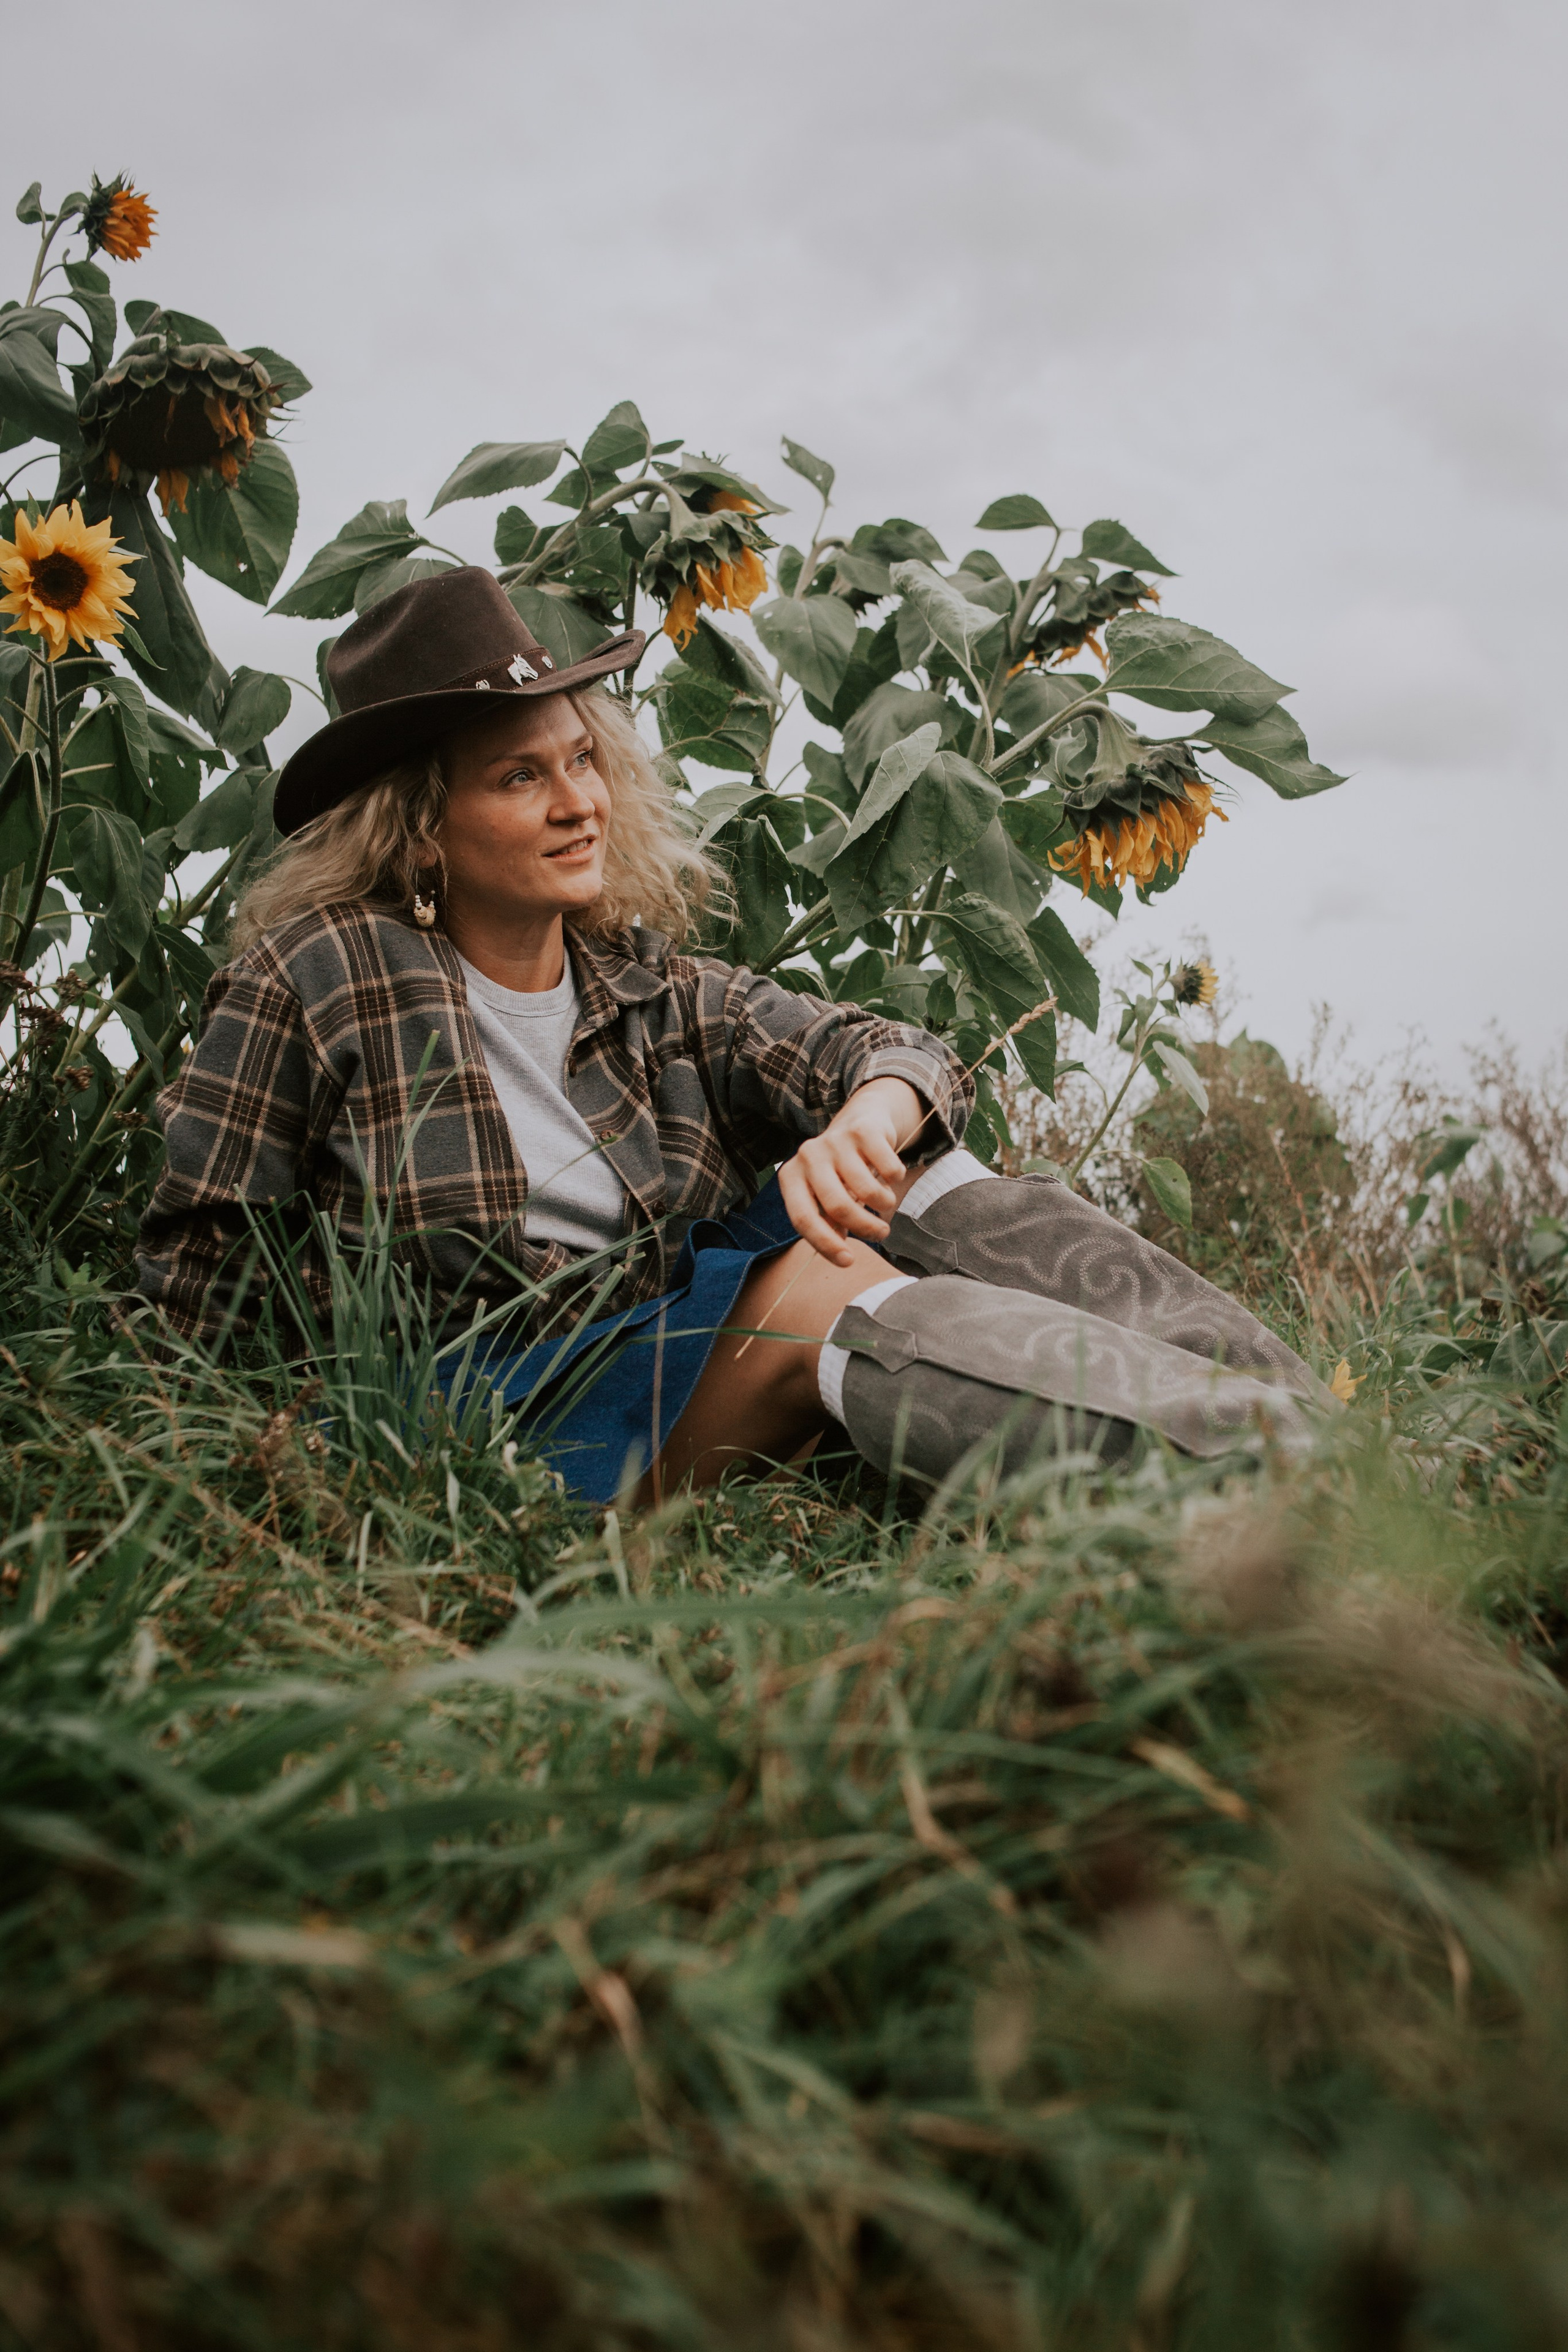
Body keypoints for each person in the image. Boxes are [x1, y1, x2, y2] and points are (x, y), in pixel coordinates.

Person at [137, 568, 1330, 1502]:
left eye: (581, 761)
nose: (578, 802)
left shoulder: (640, 985)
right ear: (421, 821)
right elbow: (196, 1269)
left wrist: (863, 1126)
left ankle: (1301, 1428)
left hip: (660, 1363)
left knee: (907, 1177)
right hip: (483, 1411)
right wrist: (283, 1473)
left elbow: (892, 1049)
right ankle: (1250, 1474)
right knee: (816, 1276)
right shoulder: (320, 971)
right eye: (518, 777)